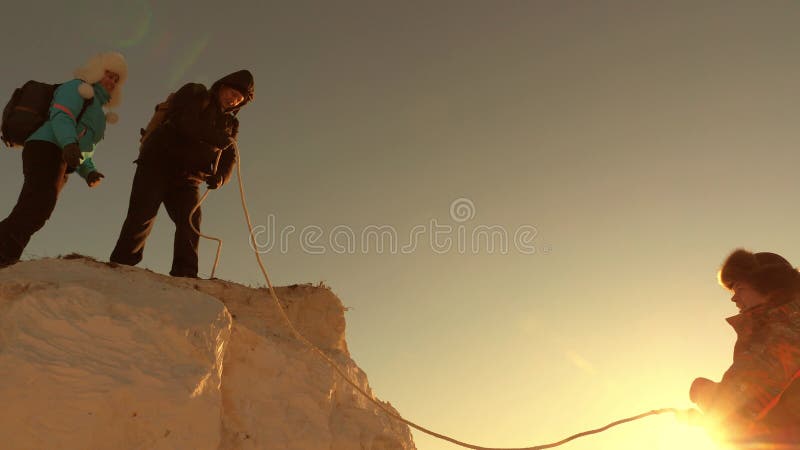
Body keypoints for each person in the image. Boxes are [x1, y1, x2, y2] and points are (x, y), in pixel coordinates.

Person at [109, 70, 254, 278]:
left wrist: (221, 178)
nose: (234, 100)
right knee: (143, 213)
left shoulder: (232, 124)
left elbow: (231, 156)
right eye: (232, 92)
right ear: (222, 86)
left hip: (189, 178)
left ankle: (185, 273)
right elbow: (186, 122)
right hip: (157, 163)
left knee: (191, 220)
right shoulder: (196, 92)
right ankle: (122, 264)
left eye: (239, 99)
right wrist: (217, 138)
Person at [0, 52, 127, 267]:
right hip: (45, 147)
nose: (112, 82)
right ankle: (4, 255)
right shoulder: (78, 88)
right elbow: (62, 115)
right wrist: (68, 143)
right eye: (109, 75)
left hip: (62, 157)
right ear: (97, 71)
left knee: (38, 209)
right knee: (36, 205)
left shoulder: (97, 110)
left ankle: (7, 256)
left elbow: (85, 146)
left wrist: (89, 171)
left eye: (116, 79)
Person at [690, 249, 800, 448]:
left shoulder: (779, 334)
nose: (733, 298)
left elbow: (730, 413)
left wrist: (701, 392)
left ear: (768, 285)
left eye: (739, 288)